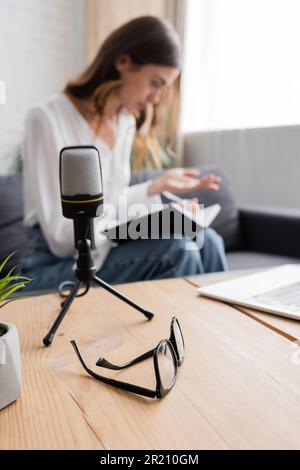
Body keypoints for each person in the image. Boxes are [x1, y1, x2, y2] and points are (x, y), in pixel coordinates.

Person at [21, 16, 227, 292]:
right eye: (155, 82)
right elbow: (60, 237)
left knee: (207, 239)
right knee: (177, 250)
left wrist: (158, 199)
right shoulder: (47, 119)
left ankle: (222, 332)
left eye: (164, 87)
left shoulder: (124, 123)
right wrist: (141, 222)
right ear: (123, 62)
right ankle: (185, 333)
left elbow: (112, 201)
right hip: (52, 265)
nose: (156, 98)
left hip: (101, 249)